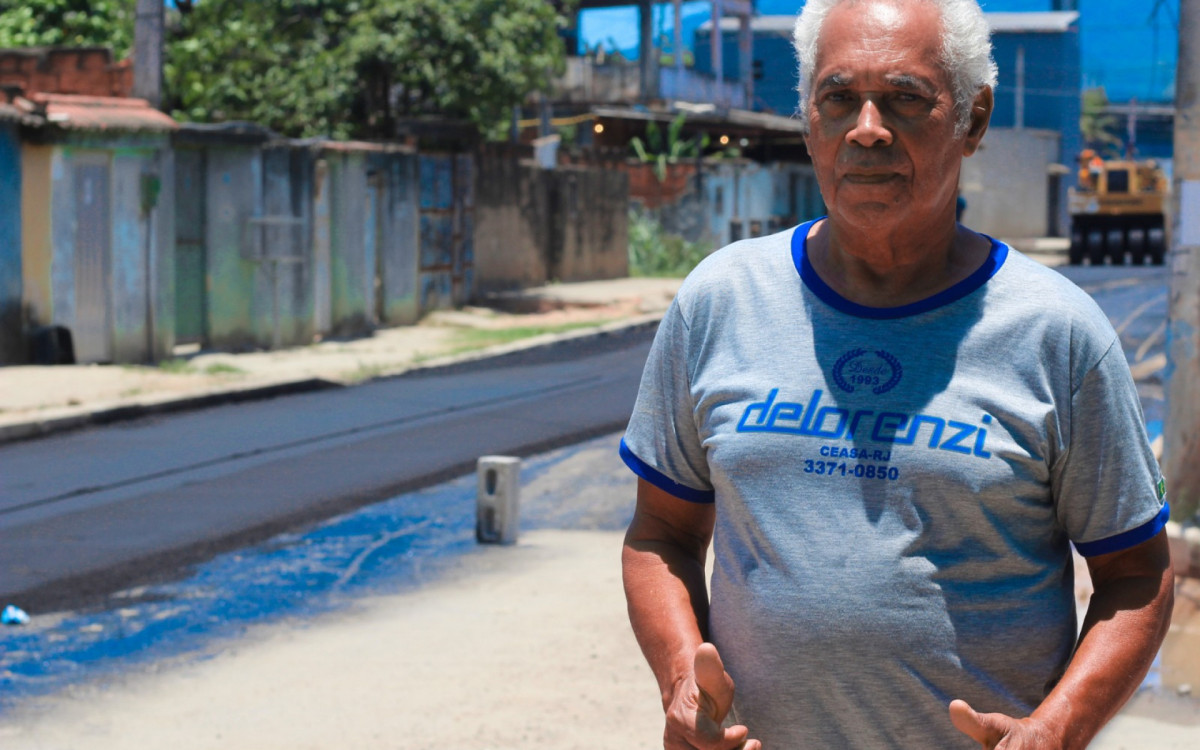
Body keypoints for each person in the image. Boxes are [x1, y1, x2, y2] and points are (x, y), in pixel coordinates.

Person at [619, 0, 1175, 748]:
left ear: (973, 120)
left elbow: (1138, 577)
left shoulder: (1059, 335)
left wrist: (1054, 730)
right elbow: (660, 534)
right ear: (809, 119)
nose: (867, 128)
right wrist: (685, 684)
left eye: (907, 100)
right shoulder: (720, 301)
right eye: (839, 98)